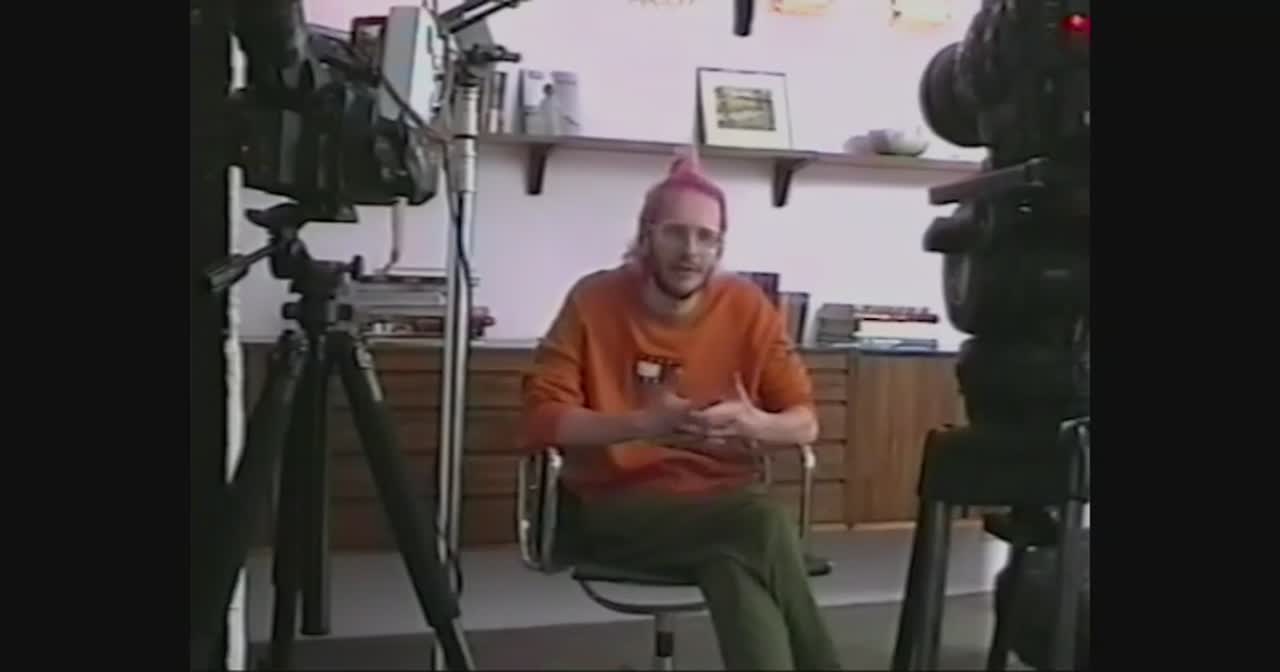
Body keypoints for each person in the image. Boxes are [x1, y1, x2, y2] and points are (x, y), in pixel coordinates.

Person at [520, 154, 843, 670]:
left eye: (705, 237)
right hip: (618, 507)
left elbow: (805, 422)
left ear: (719, 246)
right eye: (675, 233)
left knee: (734, 565)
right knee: (762, 524)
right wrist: (643, 424)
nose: (690, 251)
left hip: (723, 509)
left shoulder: (747, 306)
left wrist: (754, 423)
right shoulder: (593, 300)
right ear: (646, 236)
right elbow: (541, 420)